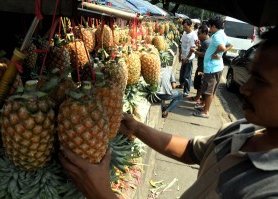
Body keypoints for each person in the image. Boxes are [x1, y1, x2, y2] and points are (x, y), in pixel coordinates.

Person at [59, 26, 278, 199]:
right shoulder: (242, 130)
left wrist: (101, 194)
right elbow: (191, 151)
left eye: (260, 81)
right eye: (250, 76)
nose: (244, 87)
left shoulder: (269, 189)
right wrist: (136, 126)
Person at [193, 16, 233, 118]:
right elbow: (230, 45)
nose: (209, 29)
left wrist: (215, 53)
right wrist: (220, 53)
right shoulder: (222, 34)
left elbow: (222, 47)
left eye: (210, 27)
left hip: (212, 68)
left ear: (214, 26)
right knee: (210, 90)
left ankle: (206, 112)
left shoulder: (216, 36)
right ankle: (204, 107)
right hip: (217, 67)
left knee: (208, 91)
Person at [187, 25, 211, 103]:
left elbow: (204, 54)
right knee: (198, 81)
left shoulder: (207, 42)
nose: (198, 35)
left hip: (203, 67)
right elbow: (202, 50)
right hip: (201, 65)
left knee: (200, 82)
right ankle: (197, 97)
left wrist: (194, 51)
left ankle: (198, 98)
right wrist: (198, 46)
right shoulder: (204, 41)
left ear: (204, 33)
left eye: (199, 33)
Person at [177, 18, 198, 97]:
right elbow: (181, 44)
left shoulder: (193, 35)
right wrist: (180, 55)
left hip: (189, 58)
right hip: (184, 57)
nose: (184, 29)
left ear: (190, 26)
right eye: (184, 27)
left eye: (186, 27)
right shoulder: (185, 33)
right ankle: (182, 85)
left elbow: (193, 49)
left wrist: (187, 58)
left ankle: (186, 91)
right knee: (182, 72)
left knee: (187, 75)